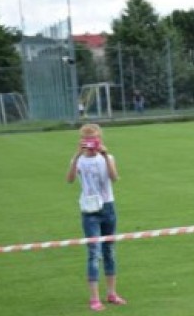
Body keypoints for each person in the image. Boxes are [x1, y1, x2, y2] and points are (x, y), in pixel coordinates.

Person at [66, 123, 127, 312]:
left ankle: (111, 293)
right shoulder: (79, 161)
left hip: (108, 207)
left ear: (100, 139)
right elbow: (69, 180)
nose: (90, 144)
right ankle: (94, 298)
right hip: (90, 211)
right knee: (94, 253)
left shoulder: (107, 157)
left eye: (94, 139)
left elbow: (115, 177)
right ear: (81, 141)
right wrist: (76, 156)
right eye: (87, 140)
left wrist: (105, 156)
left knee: (110, 251)